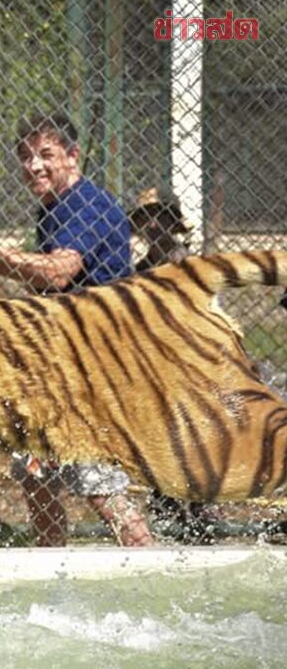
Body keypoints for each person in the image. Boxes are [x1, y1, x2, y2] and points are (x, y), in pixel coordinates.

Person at [0, 112, 154, 547]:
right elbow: (43, 281)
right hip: (61, 369)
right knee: (34, 474)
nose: (34, 165)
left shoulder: (87, 205)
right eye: (25, 157)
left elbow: (59, 272)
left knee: (98, 485)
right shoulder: (53, 210)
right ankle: (50, 565)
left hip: (94, 369)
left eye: (46, 154)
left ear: (72, 155)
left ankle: (149, 561)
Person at [129, 186, 220, 544]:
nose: (152, 224)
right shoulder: (139, 270)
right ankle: (168, 516)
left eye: (160, 216)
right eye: (145, 217)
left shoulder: (192, 268)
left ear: (172, 221)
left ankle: (203, 522)